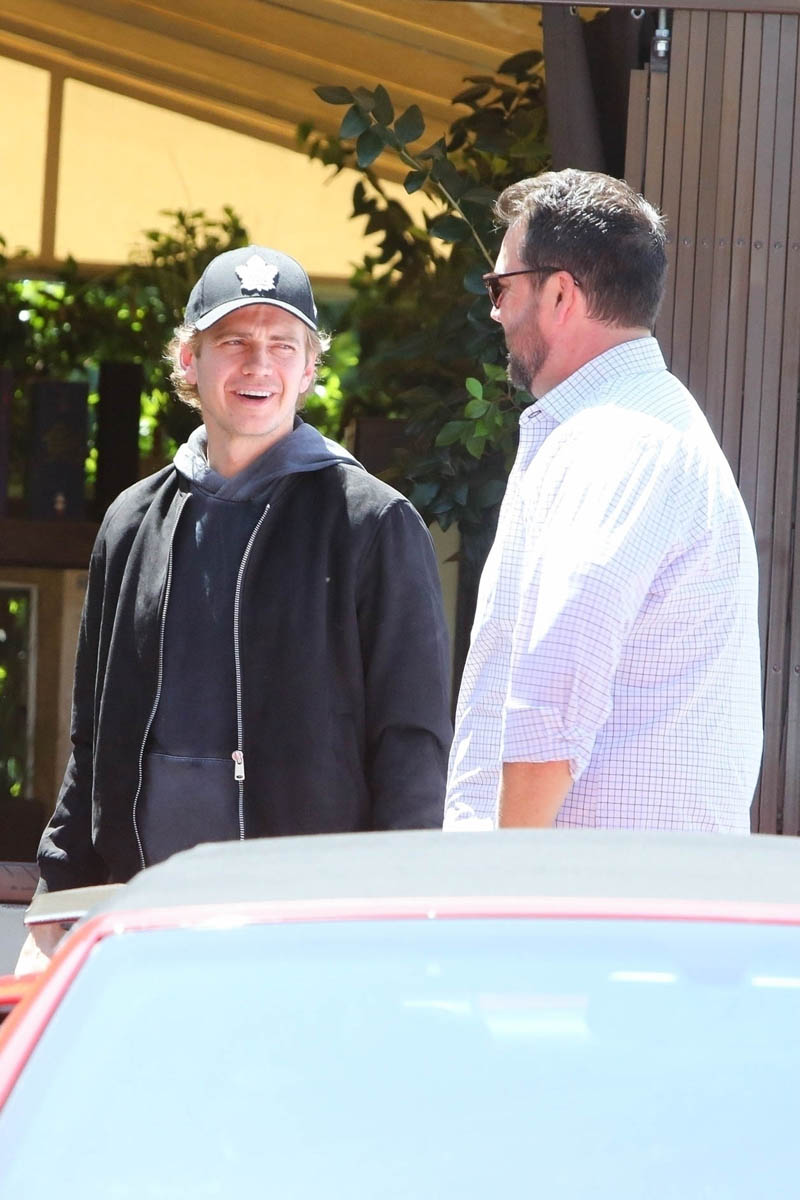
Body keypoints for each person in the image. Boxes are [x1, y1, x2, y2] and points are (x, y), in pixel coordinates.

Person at [22, 244, 452, 964]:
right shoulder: (132, 523)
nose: (259, 365)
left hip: (310, 932)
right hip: (144, 922)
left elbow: (412, 743)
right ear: (189, 361)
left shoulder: (372, 523)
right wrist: (59, 883)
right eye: (234, 342)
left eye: (283, 345)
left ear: (309, 370)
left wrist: (397, 911)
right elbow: (92, 737)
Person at [444, 169, 762, 833]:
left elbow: (550, 708)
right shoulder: (644, 425)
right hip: (615, 883)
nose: (495, 311)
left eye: (501, 288)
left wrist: (498, 883)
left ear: (560, 294)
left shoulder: (612, 440)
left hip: (577, 890)